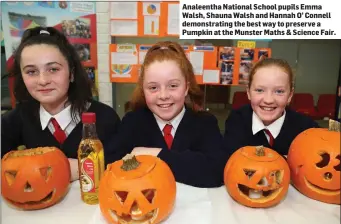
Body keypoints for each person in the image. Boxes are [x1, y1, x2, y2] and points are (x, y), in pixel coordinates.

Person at [1, 26, 121, 181]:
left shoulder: (105, 118)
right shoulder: (16, 119)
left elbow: (119, 167)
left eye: (53, 69)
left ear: (71, 73)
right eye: (31, 72)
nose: (43, 80)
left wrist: (80, 169)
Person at [108, 41, 227, 188]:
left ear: (186, 88)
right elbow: (111, 164)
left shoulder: (205, 123)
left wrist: (156, 154)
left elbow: (216, 171)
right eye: (153, 87)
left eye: (173, 86)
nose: (163, 95)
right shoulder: (132, 122)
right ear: (143, 91)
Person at [223, 58, 319, 159]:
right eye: (259, 90)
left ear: (290, 95)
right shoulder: (237, 121)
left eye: (279, 91)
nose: (268, 100)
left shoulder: (307, 129)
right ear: (248, 92)